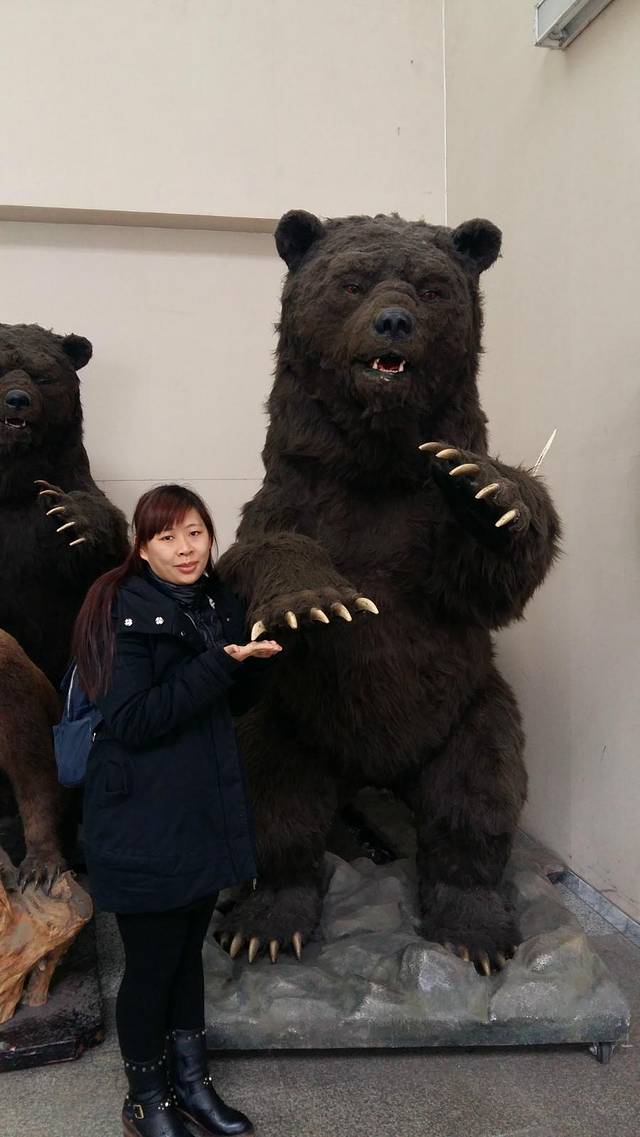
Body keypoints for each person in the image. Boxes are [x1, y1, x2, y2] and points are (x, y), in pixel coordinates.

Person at [73, 484, 281, 1137]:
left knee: (187, 954)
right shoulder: (121, 609)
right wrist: (219, 664)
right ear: (142, 547)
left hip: (197, 810)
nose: (185, 548)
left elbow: (229, 703)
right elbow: (134, 719)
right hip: (140, 818)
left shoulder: (217, 602)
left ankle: (192, 1084)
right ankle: (145, 1100)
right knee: (152, 964)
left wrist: (253, 663)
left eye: (195, 532)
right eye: (166, 536)